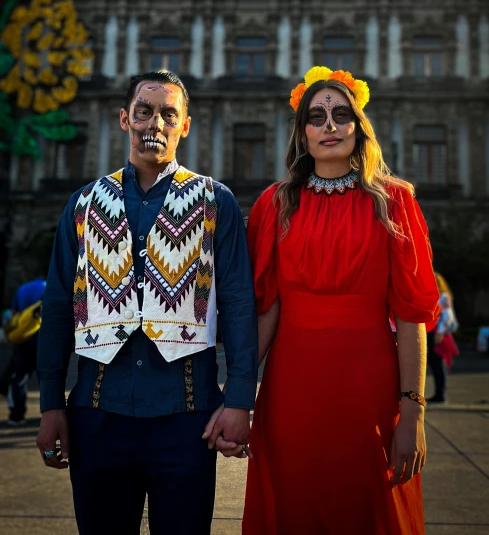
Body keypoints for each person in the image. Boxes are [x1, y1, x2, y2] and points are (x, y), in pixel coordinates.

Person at [207, 66, 440, 534]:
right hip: (292, 390)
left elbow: (412, 315)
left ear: (358, 127)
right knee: (294, 505)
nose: (329, 125)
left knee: (370, 509)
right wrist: (239, 398)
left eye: (340, 114)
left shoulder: (395, 202)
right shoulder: (275, 204)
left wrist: (412, 413)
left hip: (371, 390)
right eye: (317, 116)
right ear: (302, 133)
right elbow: (267, 309)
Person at [36, 70, 258, 535]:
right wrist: (51, 404)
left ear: (185, 126)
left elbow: (238, 303)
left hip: (187, 418)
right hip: (97, 415)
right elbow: (57, 307)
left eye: (168, 114)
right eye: (144, 111)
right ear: (124, 119)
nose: (154, 123)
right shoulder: (82, 205)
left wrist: (239, 399)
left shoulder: (217, 203)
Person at [4, 277, 46, 426]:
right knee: (48, 379)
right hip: (46, 341)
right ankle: (50, 415)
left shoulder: (22, 289)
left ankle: (16, 415)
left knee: (19, 379)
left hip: (24, 342)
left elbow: (12, 314)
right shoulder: (50, 287)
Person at [427, 272, 459, 404]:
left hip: (439, 334)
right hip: (433, 332)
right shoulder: (434, 296)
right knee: (434, 365)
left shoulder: (444, 297)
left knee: (438, 364)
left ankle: (440, 395)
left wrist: (440, 332)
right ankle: (438, 393)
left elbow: (447, 317)